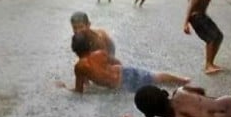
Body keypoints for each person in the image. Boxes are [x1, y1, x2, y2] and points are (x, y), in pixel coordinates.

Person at [58, 35, 190, 93]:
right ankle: (183, 80)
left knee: (151, 88)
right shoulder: (100, 53)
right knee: (156, 78)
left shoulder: (79, 67)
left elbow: (79, 90)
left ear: (74, 49)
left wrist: (65, 88)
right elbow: (117, 62)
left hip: (120, 85)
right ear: (89, 45)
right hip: (125, 71)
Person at [184, 0, 225, 74]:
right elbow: (191, 5)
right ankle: (208, 65)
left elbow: (205, 3)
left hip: (202, 15)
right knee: (211, 37)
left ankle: (211, 63)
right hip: (195, 16)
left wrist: (204, 15)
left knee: (219, 36)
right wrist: (185, 23)